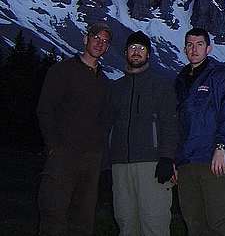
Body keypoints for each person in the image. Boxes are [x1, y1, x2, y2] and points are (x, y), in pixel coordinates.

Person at [36, 22, 113, 236]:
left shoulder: (104, 81)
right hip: (63, 156)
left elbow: (105, 120)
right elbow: (45, 109)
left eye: (105, 41)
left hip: (91, 160)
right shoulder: (62, 71)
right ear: (85, 38)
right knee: (54, 215)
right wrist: (53, 147)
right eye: (96, 37)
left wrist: (99, 154)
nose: (100, 43)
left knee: (83, 220)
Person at [108, 30, 178, 236]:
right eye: (132, 48)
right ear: (126, 52)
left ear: (148, 54)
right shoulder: (116, 88)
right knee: (126, 223)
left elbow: (170, 123)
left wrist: (167, 157)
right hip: (120, 166)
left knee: (154, 223)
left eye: (141, 48)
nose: (136, 52)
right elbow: (108, 124)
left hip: (152, 165)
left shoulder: (161, 85)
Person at [175, 28, 225, 236]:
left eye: (199, 44)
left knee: (221, 222)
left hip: (213, 160)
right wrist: (175, 161)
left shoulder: (221, 76)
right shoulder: (180, 80)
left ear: (209, 48)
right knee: (194, 222)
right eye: (190, 44)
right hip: (186, 163)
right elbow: (176, 123)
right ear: (185, 48)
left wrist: (221, 147)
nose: (194, 49)